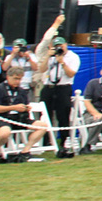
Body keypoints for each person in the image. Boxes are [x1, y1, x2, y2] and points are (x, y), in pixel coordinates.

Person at [30, 16, 79, 158]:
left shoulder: (72, 57)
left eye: (61, 46)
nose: (59, 49)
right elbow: (42, 69)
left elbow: (71, 74)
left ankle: (64, 141)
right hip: (49, 87)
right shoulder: (50, 55)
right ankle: (46, 141)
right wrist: (48, 56)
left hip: (63, 87)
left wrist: (62, 62)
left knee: (63, 115)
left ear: (66, 46)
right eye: (56, 46)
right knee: (46, 114)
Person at [0, 71, 48, 162]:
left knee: (42, 126)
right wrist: (13, 107)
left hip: (19, 118)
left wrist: (26, 108)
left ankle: (25, 151)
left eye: (19, 79)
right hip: (2, 118)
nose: (17, 81)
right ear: (8, 77)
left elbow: (25, 105)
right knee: (4, 133)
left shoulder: (21, 91)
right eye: (15, 78)